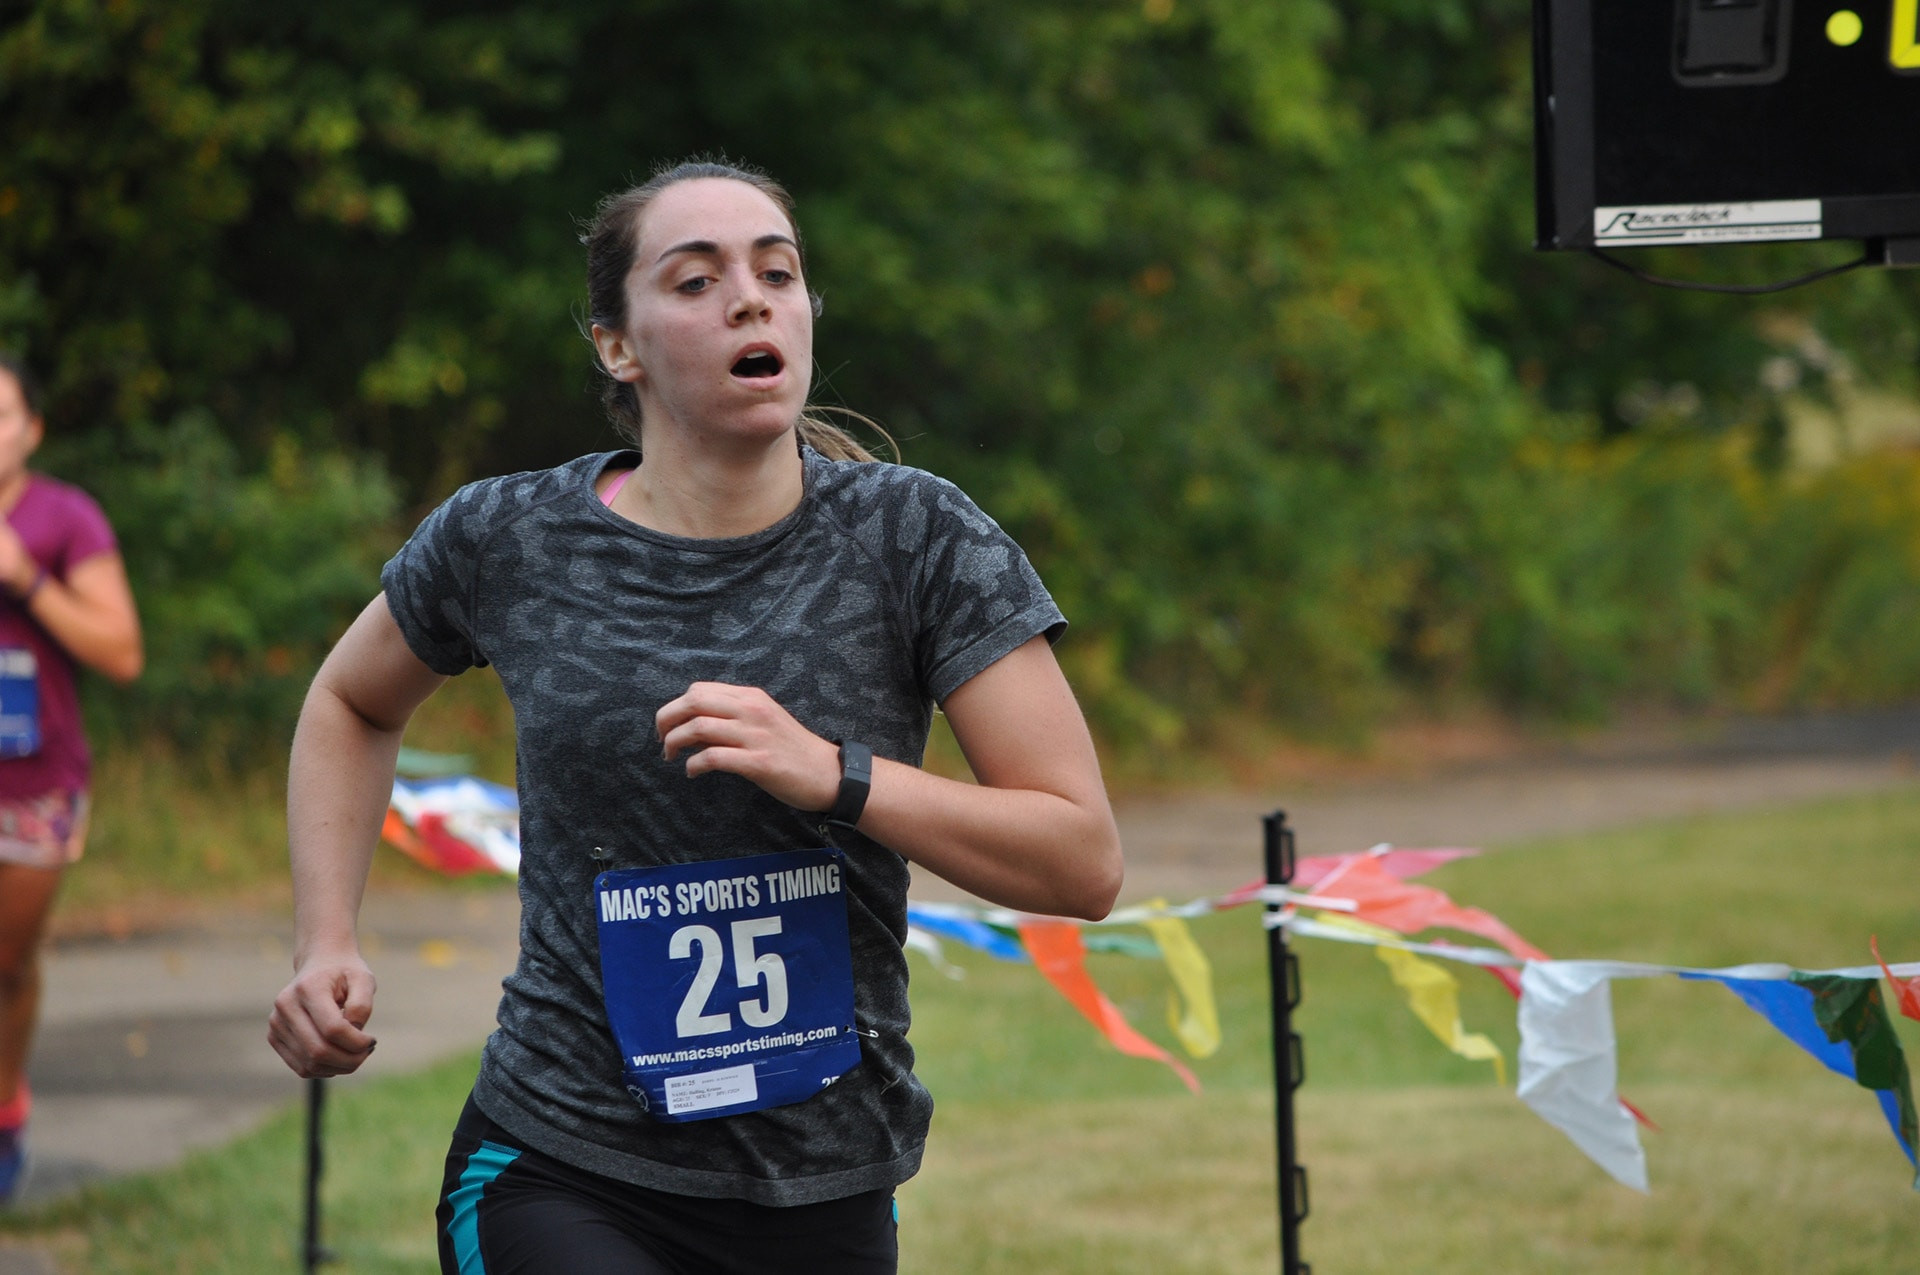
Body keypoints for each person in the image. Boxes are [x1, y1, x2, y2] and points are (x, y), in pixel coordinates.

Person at [267, 158, 1123, 1274]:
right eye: (696, 280)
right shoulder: (508, 538)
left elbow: (1081, 859)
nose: (751, 300)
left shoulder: (918, 539)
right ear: (617, 346)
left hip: (826, 1175)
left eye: (778, 272)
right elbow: (348, 700)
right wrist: (325, 939)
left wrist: (836, 773)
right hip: (561, 1157)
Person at [0, 352, 144, 1203]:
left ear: (32, 429)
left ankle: (5, 1109)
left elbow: (121, 651)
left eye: (0, 414)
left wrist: (27, 579)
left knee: (7, 964)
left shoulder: (63, 518)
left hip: (36, 781)